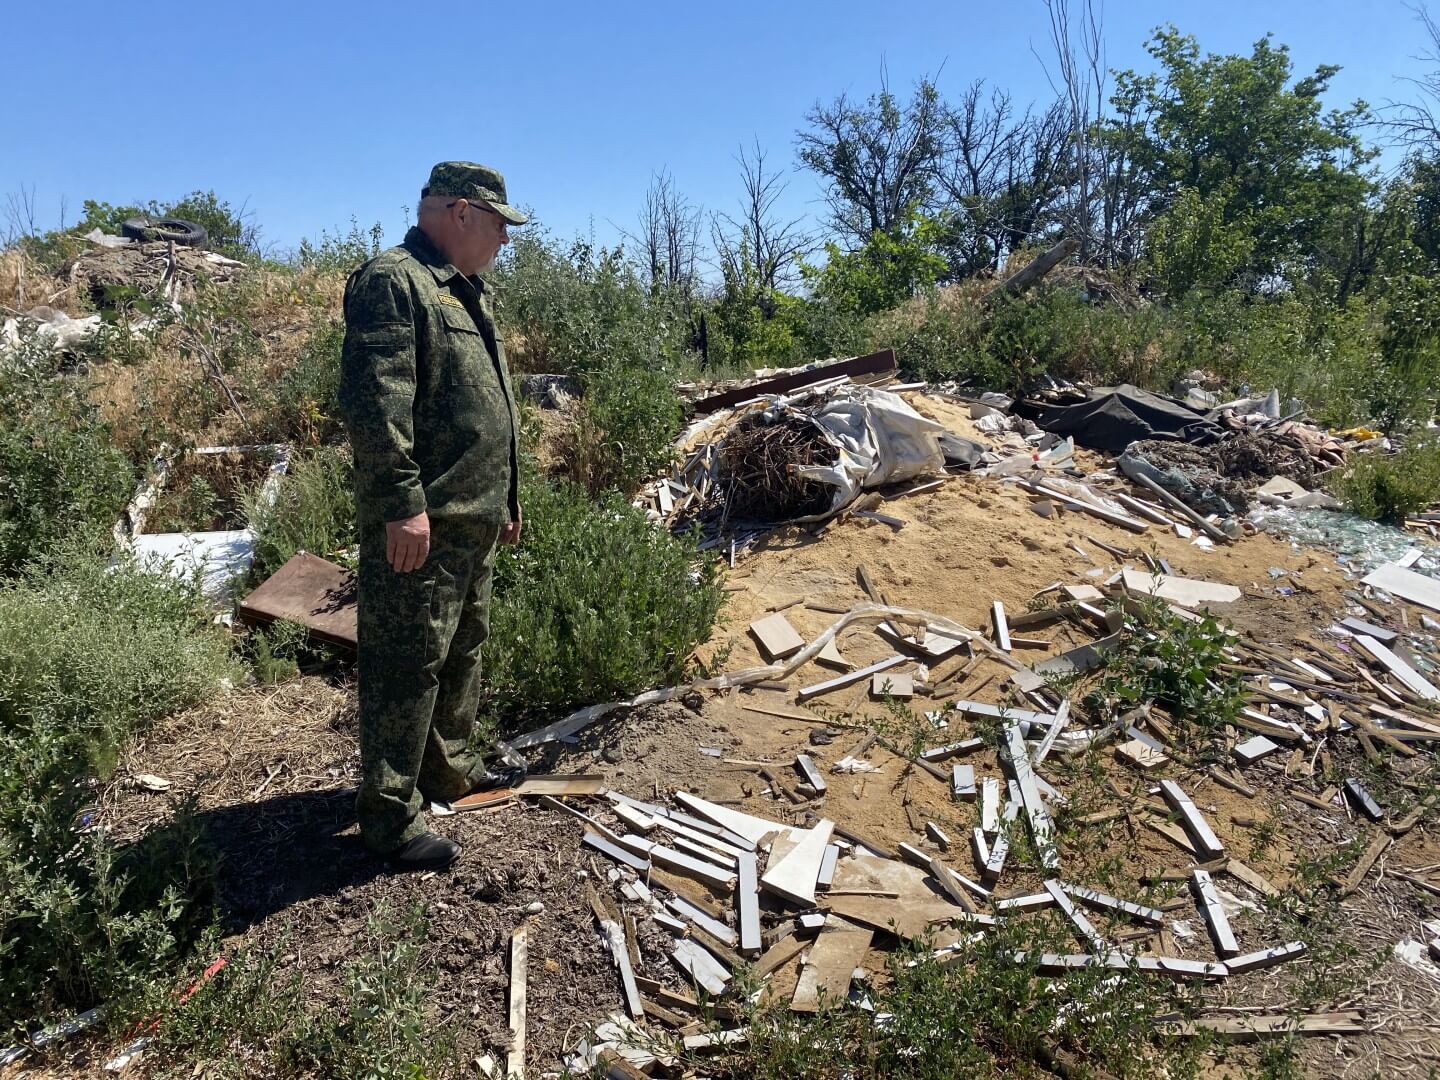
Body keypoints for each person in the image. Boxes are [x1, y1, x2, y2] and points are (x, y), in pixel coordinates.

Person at [339, 161, 528, 872]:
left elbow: (491, 406)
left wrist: (507, 501)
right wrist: (401, 505)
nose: (505, 242)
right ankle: (388, 819)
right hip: (426, 520)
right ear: (460, 212)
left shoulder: (464, 290)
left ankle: (446, 773)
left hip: (471, 516)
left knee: (461, 651)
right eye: (499, 227)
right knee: (405, 665)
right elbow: (376, 406)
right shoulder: (395, 281)